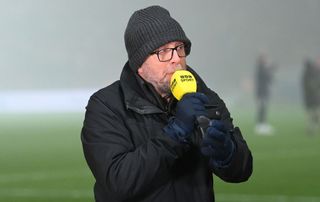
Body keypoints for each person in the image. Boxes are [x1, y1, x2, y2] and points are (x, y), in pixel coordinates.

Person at [81, 5, 253, 202]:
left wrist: (227, 154)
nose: (176, 60)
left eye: (179, 48)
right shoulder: (106, 106)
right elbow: (118, 183)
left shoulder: (205, 98)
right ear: (139, 65)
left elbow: (242, 171)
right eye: (163, 51)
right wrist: (175, 133)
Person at [254, 53, 276, 135]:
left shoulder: (262, 68)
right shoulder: (260, 68)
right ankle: (261, 126)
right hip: (261, 92)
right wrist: (270, 68)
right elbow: (267, 77)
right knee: (262, 109)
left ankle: (262, 125)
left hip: (263, 91)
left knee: (263, 108)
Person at [302, 57, 320, 135]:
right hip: (313, 97)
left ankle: (310, 128)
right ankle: (312, 128)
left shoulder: (306, 73)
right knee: (314, 113)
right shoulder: (312, 73)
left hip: (310, 97)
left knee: (311, 113)